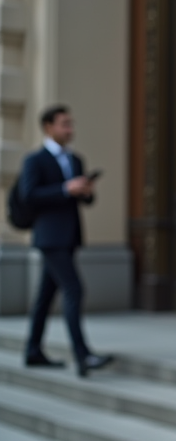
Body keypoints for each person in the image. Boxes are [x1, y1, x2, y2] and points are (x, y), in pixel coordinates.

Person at [20, 105, 113, 378]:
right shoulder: (35, 160)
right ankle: (83, 356)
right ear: (48, 127)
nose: (70, 130)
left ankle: (33, 350)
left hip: (70, 235)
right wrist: (64, 189)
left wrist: (85, 191)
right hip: (49, 237)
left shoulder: (76, 160)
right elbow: (29, 195)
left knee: (45, 296)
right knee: (74, 290)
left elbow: (85, 200)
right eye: (64, 124)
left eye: (71, 124)